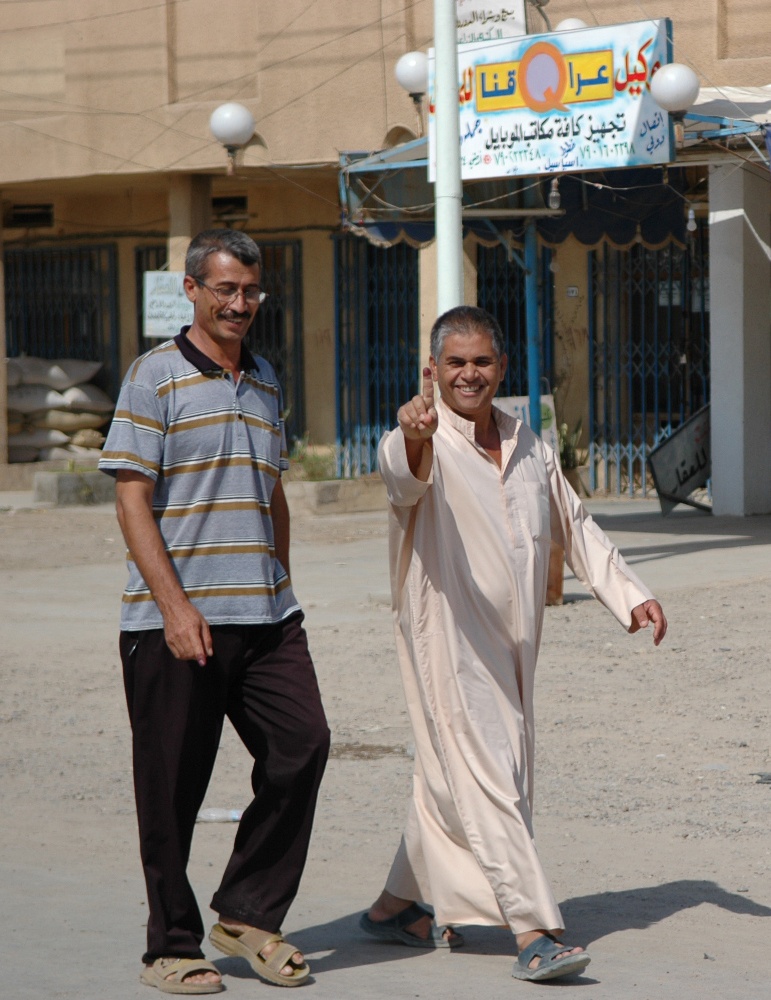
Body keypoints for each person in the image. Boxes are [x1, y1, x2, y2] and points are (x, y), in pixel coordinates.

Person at [360, 305, 667, 982]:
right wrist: (412, 434)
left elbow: (573, 522)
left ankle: (392, 908)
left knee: (451, 778)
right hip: (447, 639)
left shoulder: (528, 443)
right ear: (432, 369)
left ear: (501, 367)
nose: (468, 374)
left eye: (481, 361)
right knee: (490, 772)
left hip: (515, 644)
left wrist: (628, 593)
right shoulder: (417, 437)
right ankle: (531, 930)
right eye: (455, 363)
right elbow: (401, 479)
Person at [99, 229, 329, 993]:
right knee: (172, 788)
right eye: (225, 289)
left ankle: (247, 914)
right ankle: (170, 943)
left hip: (266, 616)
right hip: (174, 622)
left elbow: (272, 491)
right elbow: (131, 500)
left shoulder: (265, 379)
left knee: (302, 747)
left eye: (250, 290)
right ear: (192, 289)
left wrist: (280, 580)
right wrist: (174, 607)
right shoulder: (152, 376)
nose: (239, 303)